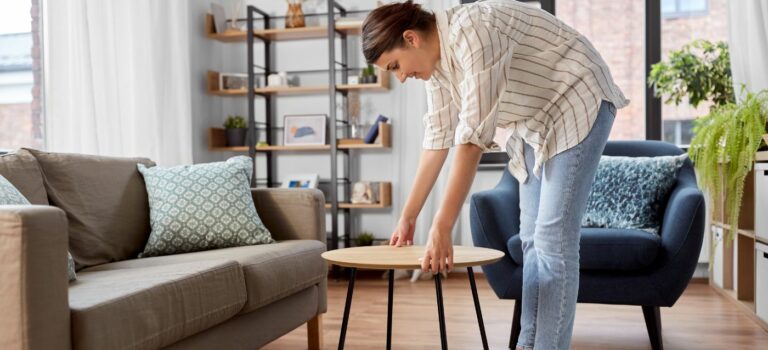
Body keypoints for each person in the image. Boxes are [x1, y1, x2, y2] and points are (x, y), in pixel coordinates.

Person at [361, 1, 629, 349]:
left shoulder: (473, 31)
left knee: (552, 242)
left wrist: (442, 226)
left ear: (411, 38)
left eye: (395, 66)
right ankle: (528, 343)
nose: (400, 76)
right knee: (531, 241)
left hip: (578, 95)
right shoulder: (438, 69)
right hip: (535, 120)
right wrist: (408, 217)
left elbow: (470, 141)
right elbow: (437, 141)